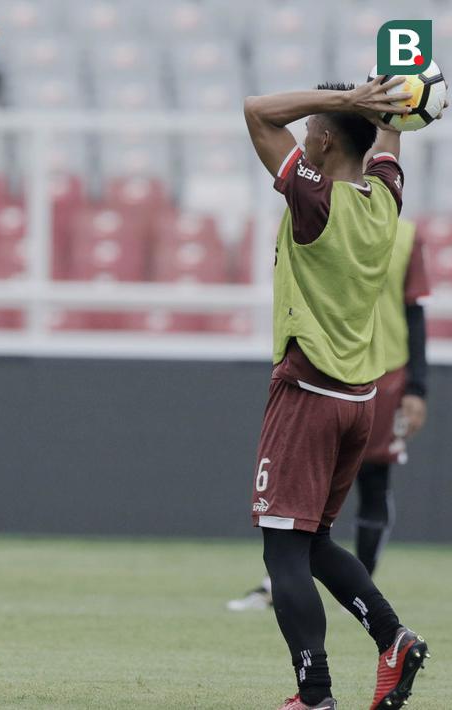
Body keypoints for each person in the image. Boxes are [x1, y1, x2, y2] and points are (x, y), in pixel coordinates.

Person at [242, 78, 431, 710]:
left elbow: (257, 112)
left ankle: (314, 695)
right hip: (357, 401)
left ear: (323, 142)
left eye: (311, 131)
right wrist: (389, 107)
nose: (302, 137)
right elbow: (388, 146)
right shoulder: (385, 198)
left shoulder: (315, 200)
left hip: (307, 393)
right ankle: (393, 639)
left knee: (282, 549)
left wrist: (349, 101)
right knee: (315, 541)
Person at [228, 217, 430, 612]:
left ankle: (360, 587)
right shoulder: (316, 213)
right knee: (304, 488)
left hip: (384, 372)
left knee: (373, 480)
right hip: (321, 368)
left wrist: (417, 387)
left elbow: (414, 310)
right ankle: (286, 580)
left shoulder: (404, 234)